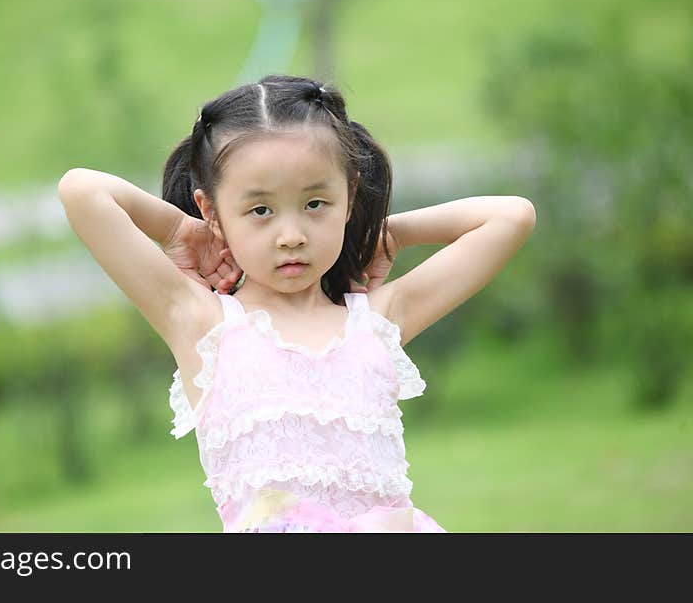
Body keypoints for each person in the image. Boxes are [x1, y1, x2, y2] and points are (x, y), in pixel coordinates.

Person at [58, 74, 536, 532]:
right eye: (260, 210)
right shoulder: (202, 323)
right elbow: (82, 191)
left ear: (349, 194)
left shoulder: (377, 322)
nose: (291, 236)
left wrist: (389, 236)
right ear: (212, 211)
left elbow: (510, 217)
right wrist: (178, 230)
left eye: (314, 204)